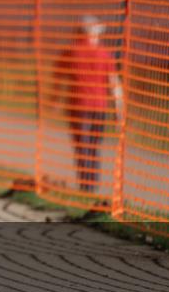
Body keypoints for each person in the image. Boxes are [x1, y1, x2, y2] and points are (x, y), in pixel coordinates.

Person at [53, 15, 123, 197]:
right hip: (99, 107)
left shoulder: (70, 51)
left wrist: (54, 100)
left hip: (78, 106)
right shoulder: (105, 54)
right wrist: (118, 112)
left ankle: (85, 185)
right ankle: (92, 185)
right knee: (93, 146)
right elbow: (114, 84)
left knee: (81, 146)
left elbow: (58, 79)